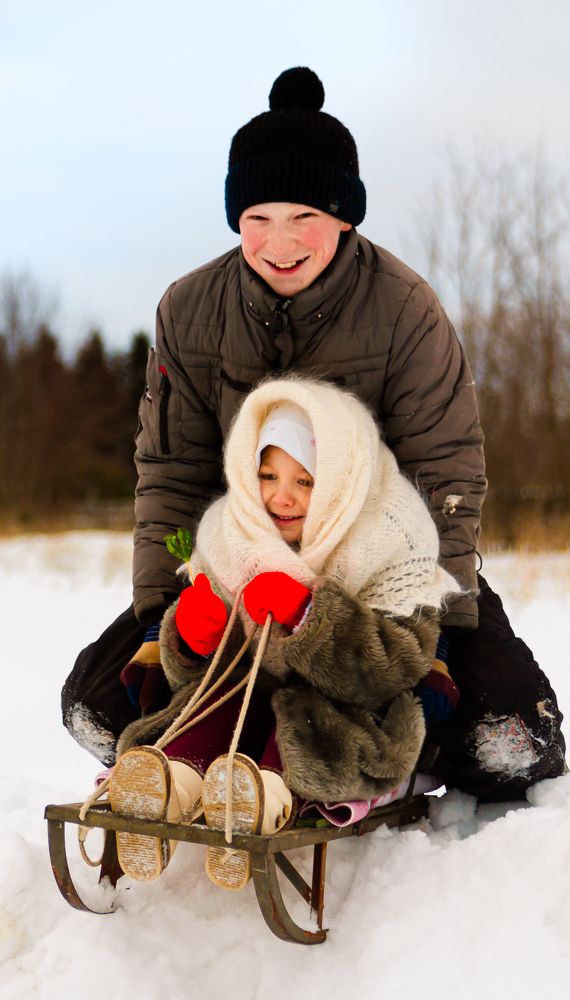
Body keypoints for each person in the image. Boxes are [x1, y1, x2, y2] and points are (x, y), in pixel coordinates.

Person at [63, 66, 565, 802]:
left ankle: (379, 748)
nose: (281, 242)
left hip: (380, 570)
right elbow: (173, 472)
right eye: (258, 217)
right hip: (244, 569)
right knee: (99, 708)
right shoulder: (191, 308)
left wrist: (437, 634)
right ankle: (245, 747)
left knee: (509, 743)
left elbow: (446, 474)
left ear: (345, 216)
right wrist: (161, 614)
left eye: (304, 216)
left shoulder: (405, 310)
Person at [101, 377, 459, 889]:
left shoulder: (390, 534)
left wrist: (312, 616)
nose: (280, 497)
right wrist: (192, 638)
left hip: (346, 708)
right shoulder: (231, 530)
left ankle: (260, 799)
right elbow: (195, 674)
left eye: (305, 482)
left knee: (306, 718)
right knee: (217, 702)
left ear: (340, 481)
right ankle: (173, 781)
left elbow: (398, 663)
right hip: (250, 693)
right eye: (267, 475)